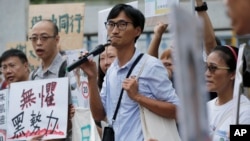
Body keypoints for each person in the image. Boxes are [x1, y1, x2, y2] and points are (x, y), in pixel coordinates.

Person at [79, 4, 179, 141]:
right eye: (111, 24)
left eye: (122, 24)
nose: (114, 30)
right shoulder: (111, 72)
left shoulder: (150, 65)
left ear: (137, 31)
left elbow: (178, 111)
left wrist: (138, 97)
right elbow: (99, 115)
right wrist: (91, 77)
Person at [29, 19, 73, 141]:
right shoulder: (33, 76)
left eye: (44, 37)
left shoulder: (70, 71)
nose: (38, 43)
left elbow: (77, 114)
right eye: (34, 38)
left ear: (57, 39)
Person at [205, 45, 250, 140]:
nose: (207, 74)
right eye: (206, 67)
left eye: (213, 68)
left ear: (233, 74)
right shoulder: (206, 107)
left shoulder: (245, 112)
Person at [0, 49, 44, 141]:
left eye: (12, 66)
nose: (8, 71)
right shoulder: (2, 99)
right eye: (4, 67)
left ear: (25, 65)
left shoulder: (41, 92)